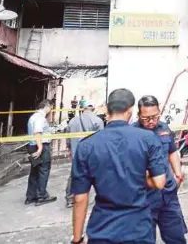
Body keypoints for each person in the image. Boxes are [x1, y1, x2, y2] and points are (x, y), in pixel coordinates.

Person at [70, 89, 167, 244]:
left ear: (108, 110)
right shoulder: (148, 138)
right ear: (130, 111)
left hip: (102, 229)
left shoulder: (86, 146)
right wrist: (139, 175)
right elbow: (160, 182)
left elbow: (80, 198)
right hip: (138, 228)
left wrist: (77, 239)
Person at [134, 96, 188, 244]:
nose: (151, 121)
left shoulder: (164, 128)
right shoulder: (132, 134)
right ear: (138, 115)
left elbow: (172, 151)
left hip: (168, 194)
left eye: (155, 117)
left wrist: (178, 175)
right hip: (144, 198)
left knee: (177, 238)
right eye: (146, 118)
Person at [65, 100, 104, 208]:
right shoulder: (97, 121)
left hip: (76, 152)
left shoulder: (72, 121)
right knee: (95, 175)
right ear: (93, 109)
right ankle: (95, 199)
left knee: (74, 175)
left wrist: (70, 150)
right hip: (92, 153)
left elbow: (68, 139)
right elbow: (101, 140)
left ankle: (69, 199)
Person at [25, 99, 57, 206]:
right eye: (51, 108)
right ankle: (41, 196)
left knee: (34, 171)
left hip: (32, 146)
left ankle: (30, 196)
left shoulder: (33, 117)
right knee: (44, 170)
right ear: (47, 107)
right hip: (41, 147)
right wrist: (40, 148)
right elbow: (37, 133)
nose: (50, 111)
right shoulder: (40, 118)